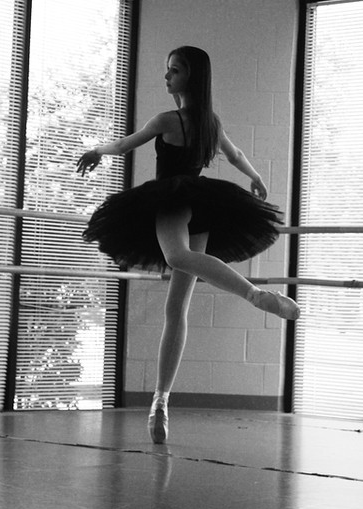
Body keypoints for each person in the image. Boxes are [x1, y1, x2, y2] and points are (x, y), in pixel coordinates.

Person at [76, 46, 300, 444]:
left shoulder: (167, 120)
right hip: (204, 205)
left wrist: (96, 150)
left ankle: (253, 295)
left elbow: (126, 146)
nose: (167, 77)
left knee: (177, 256)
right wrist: (256, 177)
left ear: (191, 77)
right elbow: (235, 154)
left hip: (172, 200)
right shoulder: (211, 123)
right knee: (176, 308)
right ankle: (161, 403)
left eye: (174, 71)